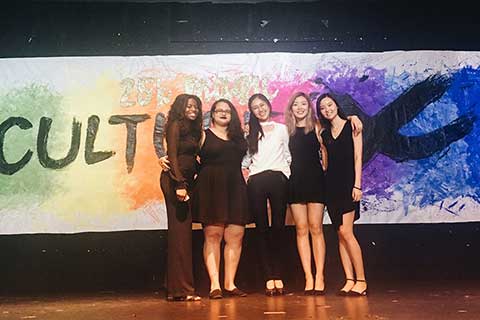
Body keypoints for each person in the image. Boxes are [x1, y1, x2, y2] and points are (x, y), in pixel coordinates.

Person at [285, 92, 363, 295]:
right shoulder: (286, 130)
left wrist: (353, 117)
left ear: (310, 108)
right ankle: (308, 278)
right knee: (301, 230)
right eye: (296, 104)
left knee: (316, 229)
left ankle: (320, 276)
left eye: (304, 103)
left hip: (317, 182)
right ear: (291, 109)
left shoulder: (320, 127)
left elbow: (329, 154)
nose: (300, 107)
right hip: (295, 183)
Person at [192, 99, 251, 299]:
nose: (224, 113)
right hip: (211, 188)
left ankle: (230, 283)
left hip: (235, 187)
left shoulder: (239, 137)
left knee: (235, 236)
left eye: (228, 111)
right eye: (219, 110)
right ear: (213, 114)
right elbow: (184, 154)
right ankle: (215, 284)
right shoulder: (202, 135)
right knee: (213, 236)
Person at [317, 93, 367, 296]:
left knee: (347, 232)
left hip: (348, 185)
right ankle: (349, 280)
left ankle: (361, 280)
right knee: (339, 234)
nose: (327, 109)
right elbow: (326, 163)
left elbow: (357, 157)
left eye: (330, 104)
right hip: (331, 187)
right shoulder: (324, 134)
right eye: (322, 107)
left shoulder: (352, 125)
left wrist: (357, 185)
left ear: (337, 105)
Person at [243, 93, 291, 296]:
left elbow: (287, 154)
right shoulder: (250, 131)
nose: (260, 109)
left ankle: (278, 273)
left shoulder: (282, 128)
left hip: (278, 178)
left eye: (262, 105)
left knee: (278, 226)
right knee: (261, 228)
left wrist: (285, 175)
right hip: (257, 180)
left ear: (269, 106)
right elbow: (245, 159)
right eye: (255, 107)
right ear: (252, 112)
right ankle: (268, 277)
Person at [158, 93, 203, 301]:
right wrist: (179, 184)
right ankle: (182, 290)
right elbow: (174, 155)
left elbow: (192, 158)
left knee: (181, 236)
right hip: (176, 183)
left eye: (196, 106)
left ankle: (174, 287)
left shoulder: (194, 130)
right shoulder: (175, 125)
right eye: (188, 106)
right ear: (180, 108)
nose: (193, 109)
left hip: (186, 182)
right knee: (181, 236)